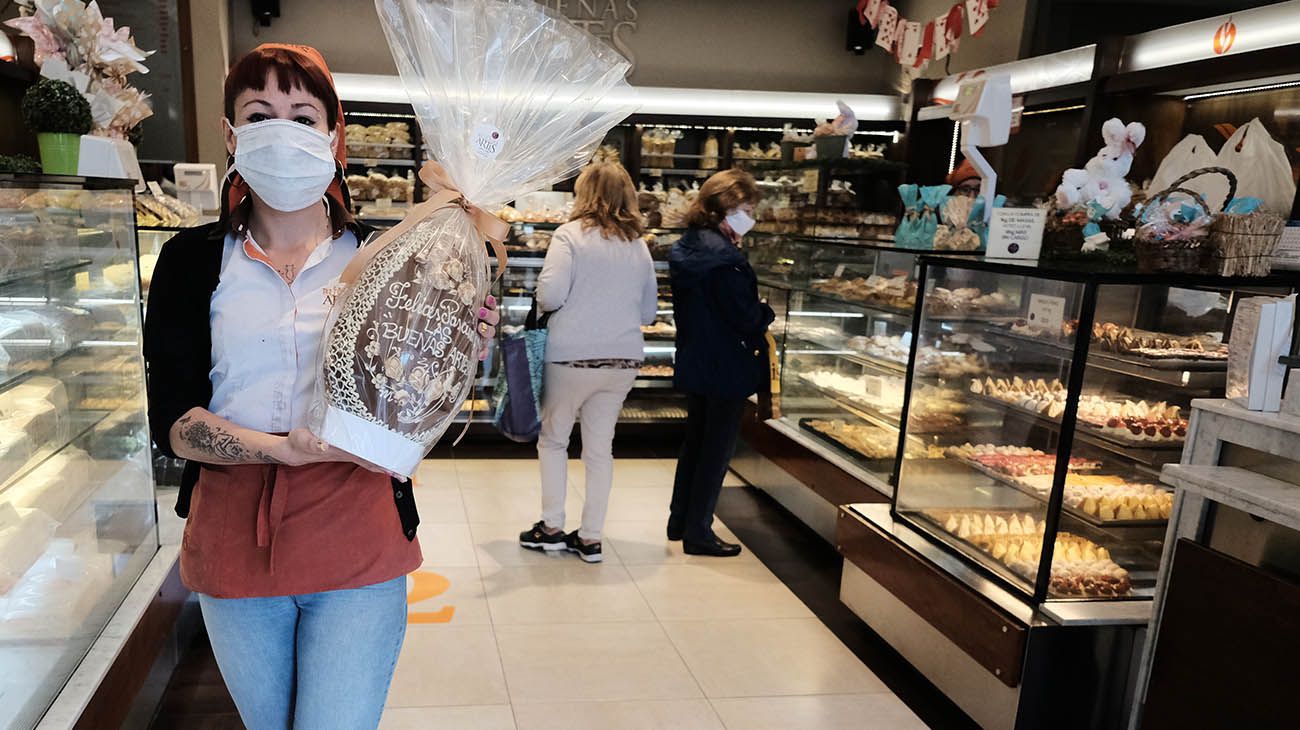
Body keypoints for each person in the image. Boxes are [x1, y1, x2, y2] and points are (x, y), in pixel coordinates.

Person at [142, 44, 498, 730]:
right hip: (230, 536)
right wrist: (282, 451)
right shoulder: (189, 262)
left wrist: (457, 340)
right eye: (260, 113)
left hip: (356, 522)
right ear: (230, 134)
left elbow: (413, 378)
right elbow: (176, 423)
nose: (284, 130)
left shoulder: (389, 255)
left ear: (334, 135)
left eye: (304, 116)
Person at [519, 162, 658, 564]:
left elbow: (550, 295)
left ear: (584, 194)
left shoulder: (569, 236)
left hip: (571, 357)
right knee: (600, 450)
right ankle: (592, 538)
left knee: (555, 439)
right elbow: (649, 312)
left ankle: (551, 528)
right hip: (622, 359)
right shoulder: (638, 245)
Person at [667, 169, 773, 557]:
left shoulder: (688, 247)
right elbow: (743, 317)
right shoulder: (726, 259)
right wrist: (766, 313)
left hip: (696, 359)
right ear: (726, 207)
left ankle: (680, 520)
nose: (750, 214)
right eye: (746, 207)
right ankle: (699, 533)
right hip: (727, 365)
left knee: (695, 443)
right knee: (716, 452)